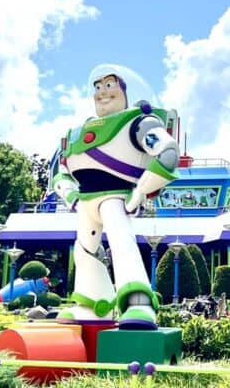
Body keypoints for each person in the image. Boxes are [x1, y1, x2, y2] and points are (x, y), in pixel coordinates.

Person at [52, 64, 180, 329]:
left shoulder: (139, 122)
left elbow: (167, 152)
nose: (102, 92)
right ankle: (92, 304)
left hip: (116, 197)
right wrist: (69, 194)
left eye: (109, 85)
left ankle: (138, 302)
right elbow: (60, 169)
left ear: (124, 91)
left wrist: (141, 190)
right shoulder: (76, 132)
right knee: (85, 251)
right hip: (85, 200)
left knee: (122, 245)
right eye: (98, 87)